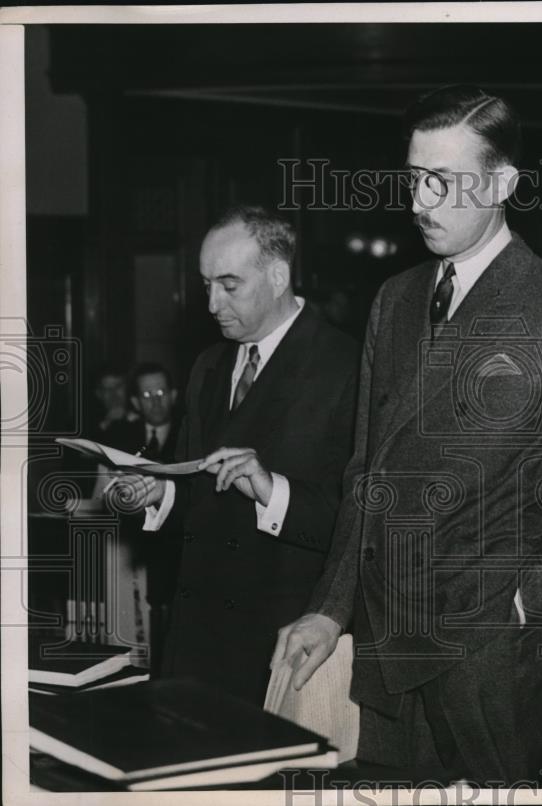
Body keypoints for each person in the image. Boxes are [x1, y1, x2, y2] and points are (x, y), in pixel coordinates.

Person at [273, 85, 542, 784]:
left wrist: (527, 601)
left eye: (444, 182)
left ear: (503, 182)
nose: (421, 202)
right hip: (389, 641)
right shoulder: (395, 299)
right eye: (415, 178)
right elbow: (366, 472)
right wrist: (329, 609)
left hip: (485, 659)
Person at [112, 206, 359, 703]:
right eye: (206, 284)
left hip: (276, 645)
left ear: (278, 276)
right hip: (195, 639)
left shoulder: (347, 364)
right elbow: (197, 492)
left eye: (229, 285)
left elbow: (363, 526)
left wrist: (273, 491)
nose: (211, 304)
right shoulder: (208, 365)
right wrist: (159, 492)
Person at [101, 362, 182, 675]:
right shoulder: (120, 437)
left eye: (161, 392)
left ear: (174, 396)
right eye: (147, 395)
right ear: (135, 402)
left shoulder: (189, 435)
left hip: (175, 553)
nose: (155, 401)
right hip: (130, 552)